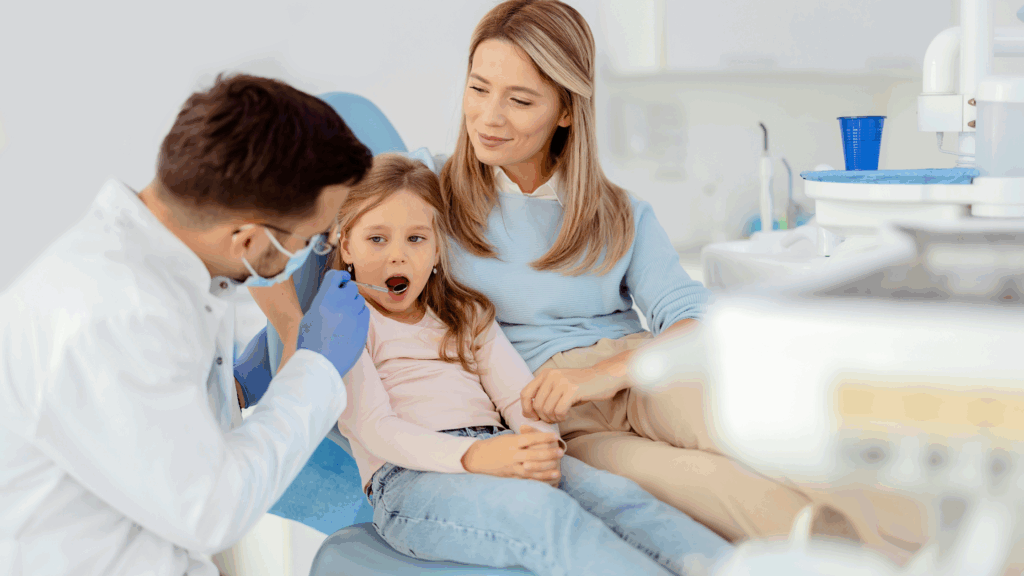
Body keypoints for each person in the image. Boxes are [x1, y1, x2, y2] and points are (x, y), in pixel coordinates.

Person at [240, 0, 926, 561]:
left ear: (566, 111)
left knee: (766, 426)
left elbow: (700, 320)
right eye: (478, 90)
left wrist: (612, 371)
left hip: (639, 372)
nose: (488, 117)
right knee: (696, 485)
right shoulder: (426, 193)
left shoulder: (616, 210)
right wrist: (267, 356)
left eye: (519, 100)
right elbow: (312, 232)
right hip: (545, 406)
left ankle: (945, 544)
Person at [0, 73, 373, 576]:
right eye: (313, 238)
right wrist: (315, 367)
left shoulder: (178, 267)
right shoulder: (115, 316)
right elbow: (211, 509)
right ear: (245, 239)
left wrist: (240, 384)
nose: (318, 249)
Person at [308, 153, 733, 575]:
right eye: (376, 239)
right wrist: (477, 456)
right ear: (346, 245)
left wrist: (540, 447)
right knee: (544, 514)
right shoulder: (345, 322)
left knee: (622, 498)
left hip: (500, 449)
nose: (397, 257)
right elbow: (375, 429)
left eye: (415, 239)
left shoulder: (468, 315)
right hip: (409, 481)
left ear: (438, 248)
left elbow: (517, 395)